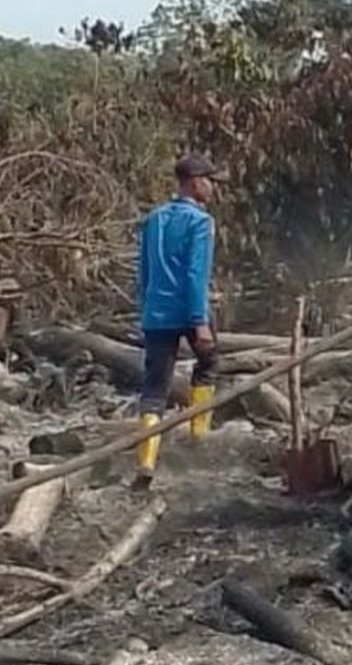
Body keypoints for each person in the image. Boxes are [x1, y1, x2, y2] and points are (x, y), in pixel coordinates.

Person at [133, 154, 227, 484]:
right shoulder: (200, 222)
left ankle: (146, 463)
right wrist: (199, 321)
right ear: (194, 182)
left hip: (156, 312)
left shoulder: (153, 219)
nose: (214, 188)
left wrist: (144, 308)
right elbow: (194, 274)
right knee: (209, 364)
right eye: (210, 181)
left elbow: (142, 270)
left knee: (154, 388)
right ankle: (198, 439)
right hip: (188, 308)